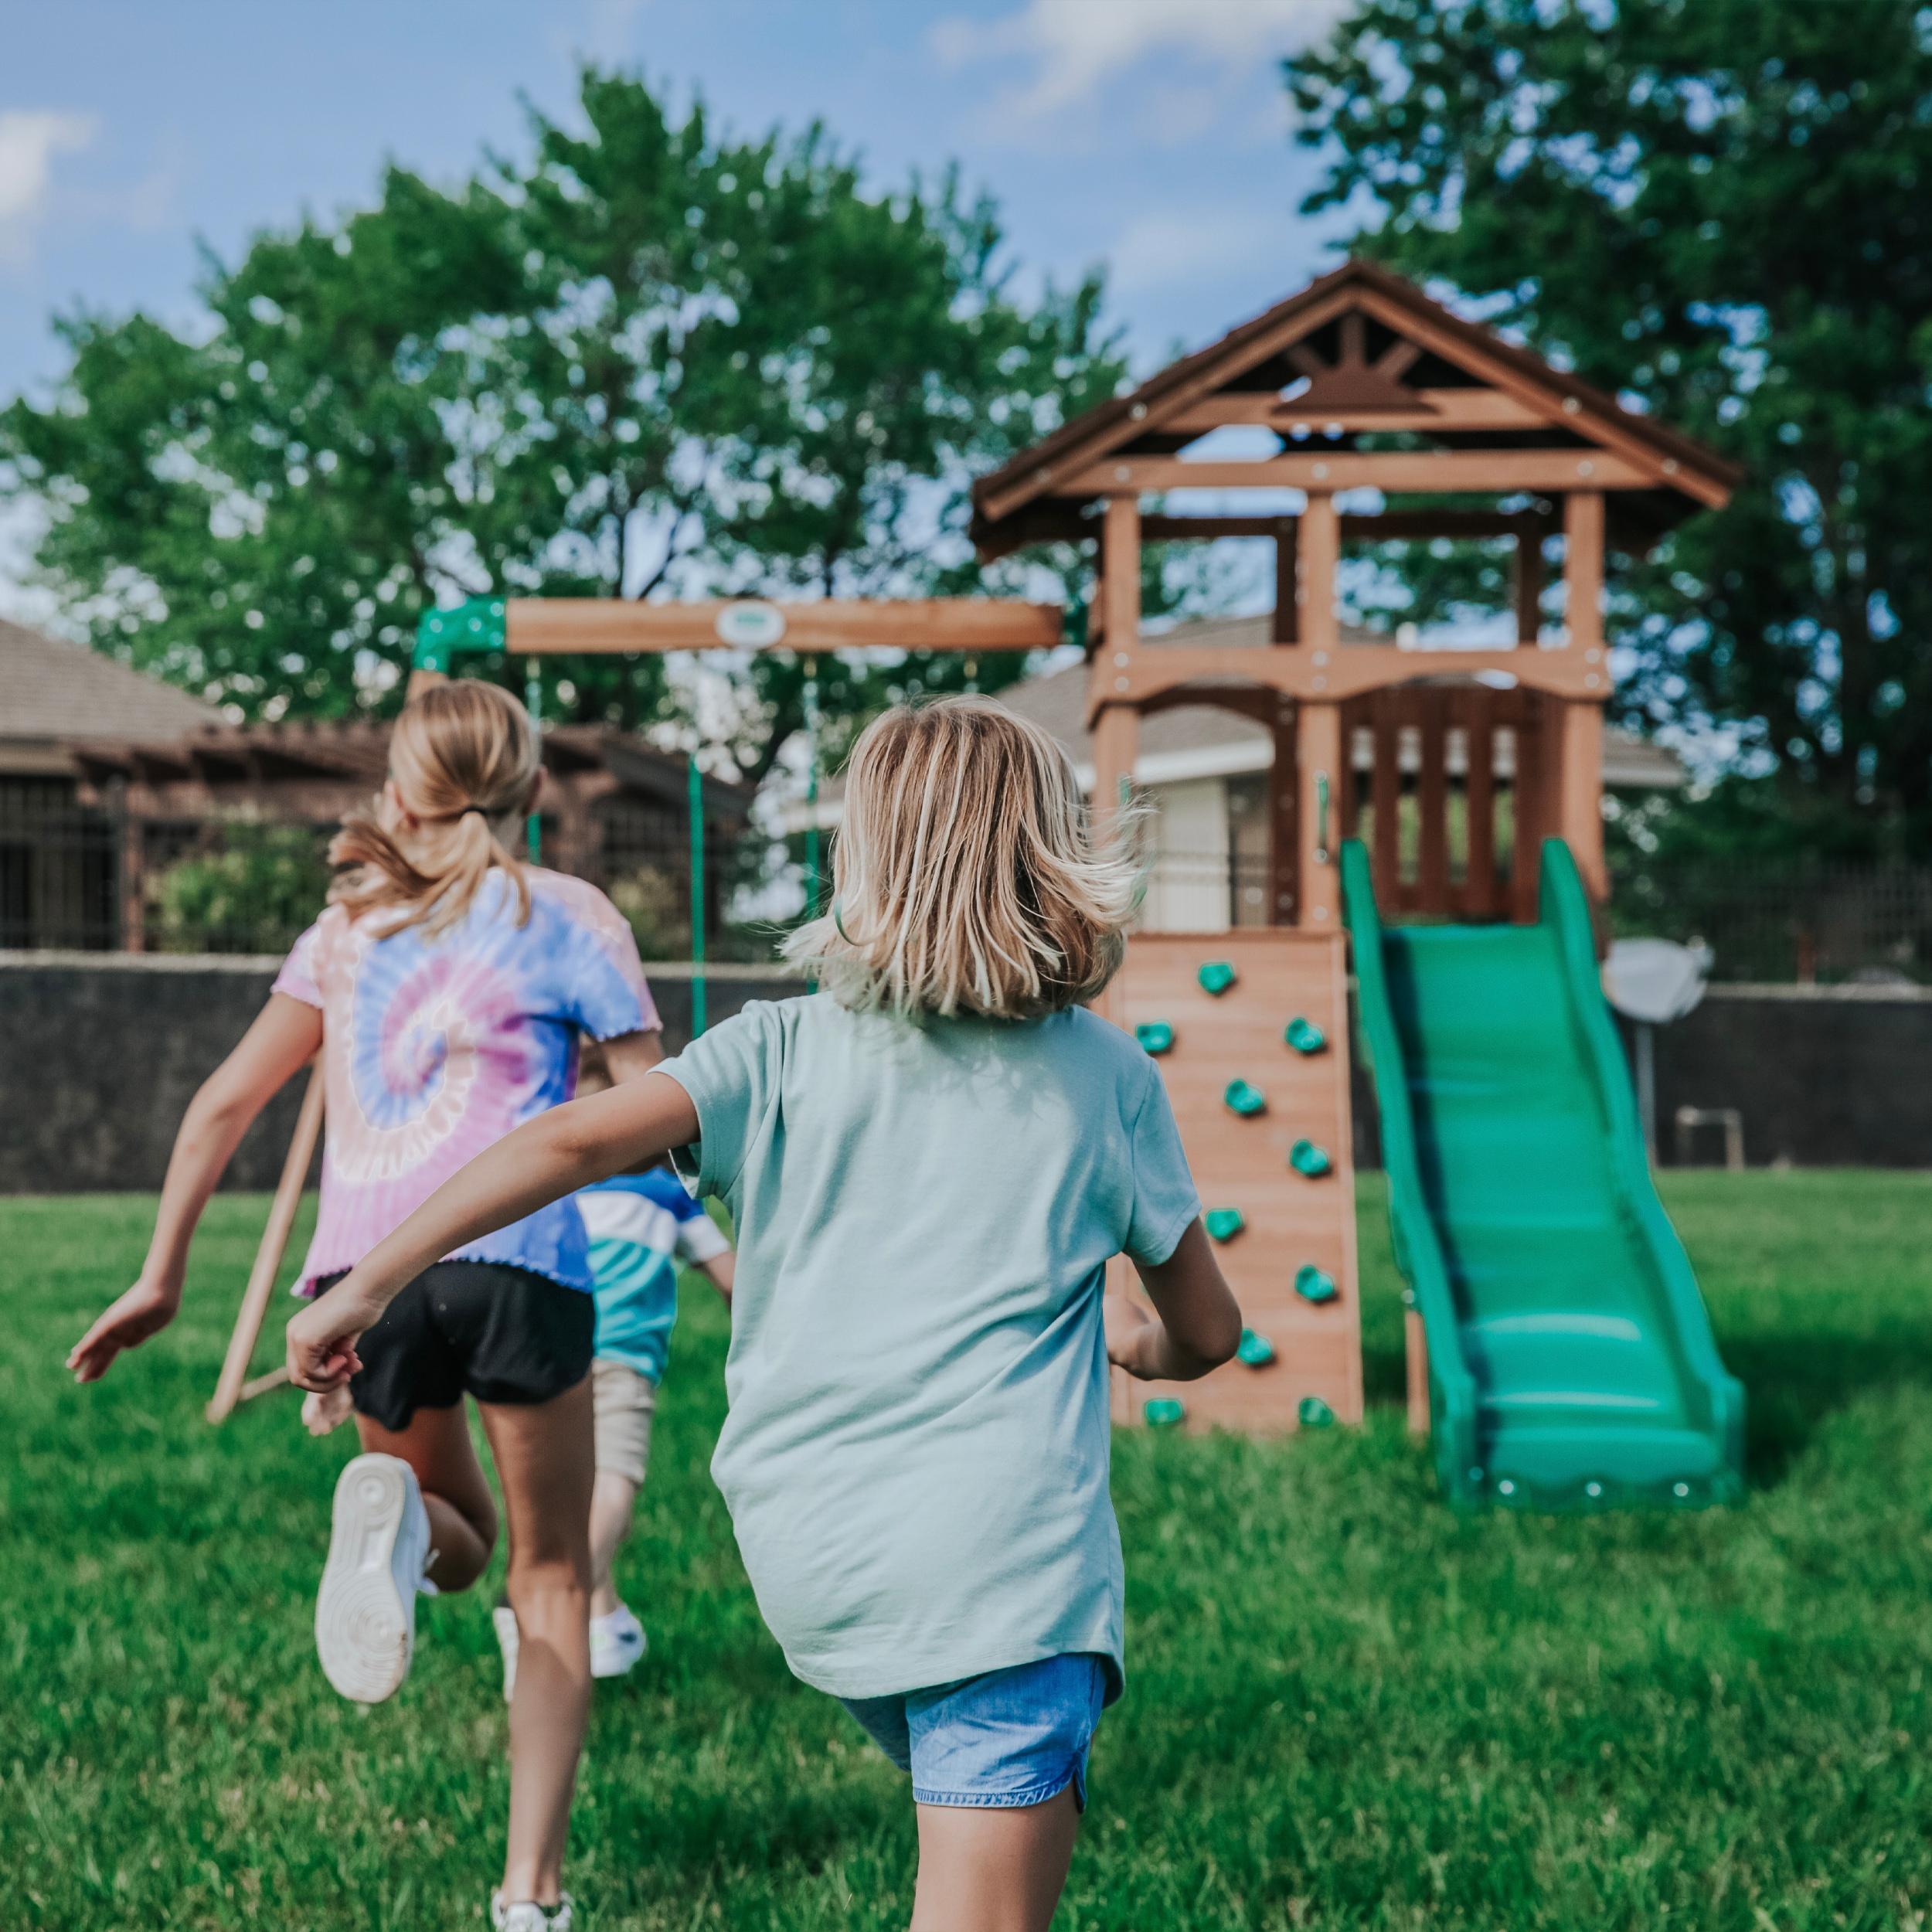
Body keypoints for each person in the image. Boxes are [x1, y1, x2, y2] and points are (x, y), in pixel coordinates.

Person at [286, 695, 1244, 1932]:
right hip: (1007, 1577)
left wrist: (368, 1280)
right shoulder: (1105, 1073)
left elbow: (572, 1138)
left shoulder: (776, 1050)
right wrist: (1142, 1343)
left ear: (862, 857)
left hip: (818, 1567)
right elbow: (1209, 1332)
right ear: (1050, 859)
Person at [70, 680, 661, 1932]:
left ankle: (397, 1531)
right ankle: (530, 1898)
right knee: (548, 1578)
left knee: (452, 1526)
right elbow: (647, 1113)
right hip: (524, 1266)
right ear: (531, 789)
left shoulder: (346, 930)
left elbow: (224, 1103)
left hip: (361, 1284)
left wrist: (161, 1274)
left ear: (403, 790)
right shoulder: (575, 917)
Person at [493, 1044, 736, 1700]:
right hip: (624, 1358)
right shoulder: (670, 1197)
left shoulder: (553, 1196)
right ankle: (540, 1607)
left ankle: (606, 1626)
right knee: (614, 1499)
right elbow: (734, 1284)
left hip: (549, 1350)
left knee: (568, 1497)